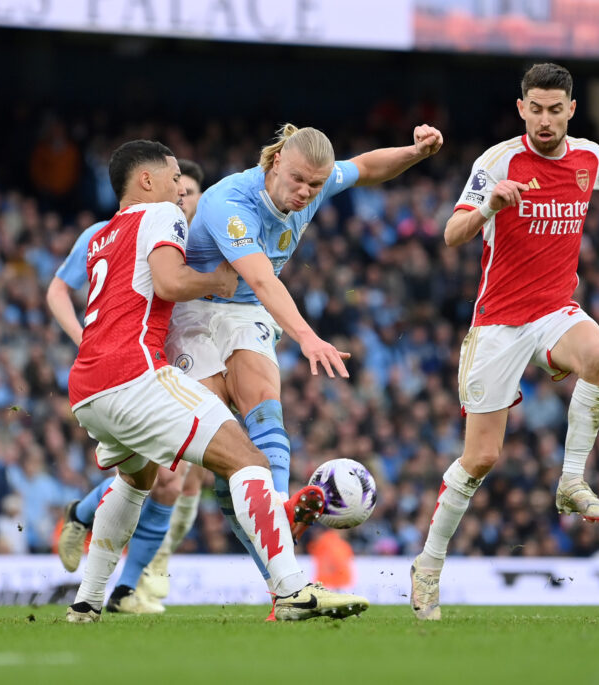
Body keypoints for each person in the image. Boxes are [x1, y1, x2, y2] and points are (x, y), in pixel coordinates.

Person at [409, 63, 599, 621]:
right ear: (522, 109)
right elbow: (450, 234)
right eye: (535, 109)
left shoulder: (589, 156)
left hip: (554, 310)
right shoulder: (497, 162)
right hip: (497, 323)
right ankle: (428, 566)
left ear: (571, 109)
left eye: (554, 109)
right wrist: (491, 205)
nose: (545, 120)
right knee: (481, 457)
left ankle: (571, 481)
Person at [65, 139, 367, 622]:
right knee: (248, 460)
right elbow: (169, 283)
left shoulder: (102, 235)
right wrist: (215, 283)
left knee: (135, 481)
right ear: (146, 181)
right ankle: (292, 590)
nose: (183, 192)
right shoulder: (162, 216)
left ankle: (86, 602)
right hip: (136, 374)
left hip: (86, 385)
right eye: (172, 179)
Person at [168, 122, 443, 614]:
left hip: (247, 312)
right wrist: (308, 335)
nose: (305, 193)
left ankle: (284, 565)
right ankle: (279, 528)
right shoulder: (232, 202)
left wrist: (416, 153)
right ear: (274, 163)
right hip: (193, 312)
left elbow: (366, 167)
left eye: (315, 185)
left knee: (265, 421)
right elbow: (260, 278)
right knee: (218, 456)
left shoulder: (314, 183)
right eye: (297, 181)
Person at [48, 159, 208, 614]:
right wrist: (85, 338)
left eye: (191, 189)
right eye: (179, 184)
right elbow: (58, 289)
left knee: (179, 482)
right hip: (139, 363)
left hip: (188, 358)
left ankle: (127, 575)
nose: (183, 195)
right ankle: (124, 586)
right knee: (166, 477)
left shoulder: (202, 237)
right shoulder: (112, 229)